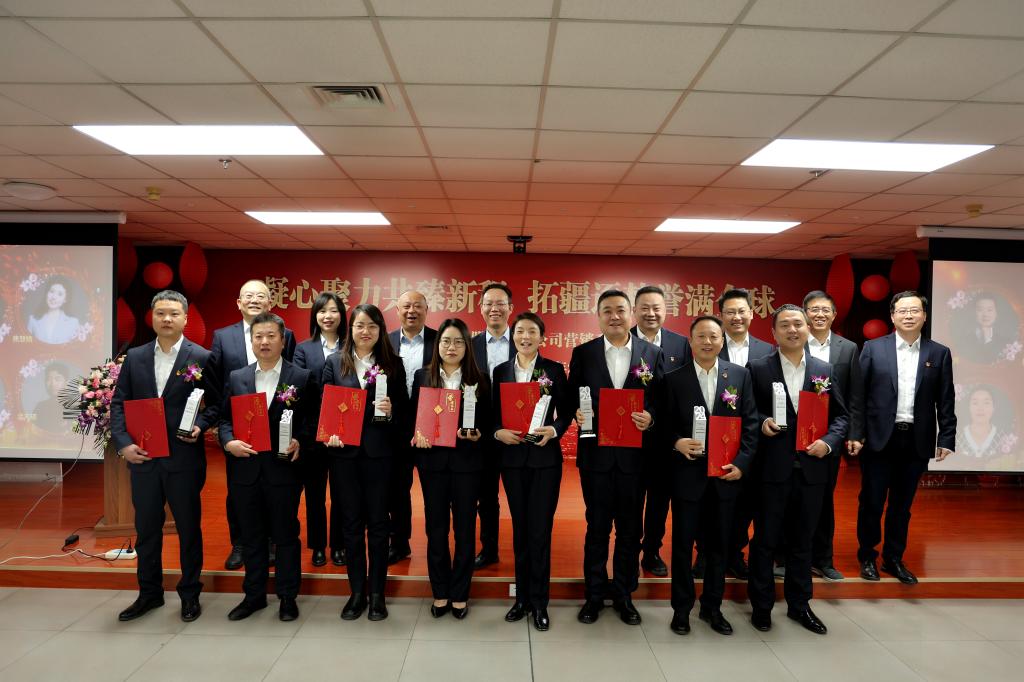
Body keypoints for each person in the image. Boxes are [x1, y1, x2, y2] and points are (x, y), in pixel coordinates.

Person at [110, 290, 219, 623]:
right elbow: (119, 403)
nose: (166, 319)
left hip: (184, 458)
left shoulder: (201, 357)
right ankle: (149, 593)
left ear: (185, 318)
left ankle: (190, 593)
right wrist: (123, 444)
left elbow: (217, 404)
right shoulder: (135, 357)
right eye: (160, 313)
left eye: (173, 313)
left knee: (188, 529)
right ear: (152, 317)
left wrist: (201, 426)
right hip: (144, 457)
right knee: (146, 529)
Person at [747, 304, 848, 635]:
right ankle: (761, 606)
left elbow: (841, 416)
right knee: (765, 540)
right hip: (771, 471)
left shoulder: (824, 369)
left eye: (798, 324)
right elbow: (747, 411)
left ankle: (800, 605)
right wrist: (762, 421)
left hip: (811, 469)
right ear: (773, 333)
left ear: (807, 329)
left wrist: (829, 443)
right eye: (785, 325)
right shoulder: (758, 368)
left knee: (803, 541)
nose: (792, 330)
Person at [569, 289, 664, 626]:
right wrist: (577, 414)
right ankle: (594, 595)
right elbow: (571, 396)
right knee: (596, 528)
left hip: (634, 460)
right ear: (598, 317)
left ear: (631, 314)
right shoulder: (584, 353)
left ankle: (624, 595)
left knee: (629, 531)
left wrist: (651, 417)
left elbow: (661, 399)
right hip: (596, 457)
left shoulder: (652, 354)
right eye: (607, 311)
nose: (614, 316)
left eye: (620, 310)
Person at [661, 315, 758, 636]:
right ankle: (681, 609)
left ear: (722, 340)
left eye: (713, 336)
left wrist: (742, 463)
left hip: (725, 476)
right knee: (682, 546)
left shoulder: (740, 376)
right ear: (690, 341)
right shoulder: (674, 379)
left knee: (719, 546)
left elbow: (751, 423)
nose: (707, 342)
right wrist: (676, 442)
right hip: (687, 477)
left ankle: (712, 607)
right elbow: (662, 425)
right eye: (701, 336)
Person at [852, 291, 956, 585]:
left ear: (924, 315)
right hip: (879, 439)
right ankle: (867, 556)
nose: (908, 315)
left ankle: (894, 558)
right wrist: (856, 433)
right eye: (902, 311)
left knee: (902, 505)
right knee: (872, 501)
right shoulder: (873, 348)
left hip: (916, 440)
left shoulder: (938, 353)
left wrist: (946, 437)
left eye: (914, 310)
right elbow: (859, 395)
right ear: (892, 316)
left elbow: (946, 399)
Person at [219, 312, 313, 622]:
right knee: (251, 536)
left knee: (285, 535)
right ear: (251, 340)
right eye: (258, 336)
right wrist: (229, 441)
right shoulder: (238, 377)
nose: (264, 342)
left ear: (283, 340)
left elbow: (311, 421)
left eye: (271, 336)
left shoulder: (301, 377)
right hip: (245, 470)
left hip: (283, 471)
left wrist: (300, 441)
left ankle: (287, 597)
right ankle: (254, 595)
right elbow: (224, 420)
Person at [324, 304, 408, 621]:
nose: (366, 331)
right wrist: (329, 434)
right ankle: (357, 592)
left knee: (379, 525)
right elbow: (325, 406)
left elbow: (405, 410)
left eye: (372, 326)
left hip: (380, 456)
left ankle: (377, 595)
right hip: (344, 456)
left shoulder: (393, 364)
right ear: (351, 329)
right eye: (360, 325)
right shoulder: (335, 363)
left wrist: (393, 410)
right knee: (351, 525)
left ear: (380, 330)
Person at [209, 279, 296, 571]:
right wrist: (224, 429)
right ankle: (240, 544)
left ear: (270, 302)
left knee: (274, 490)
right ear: (239, 302)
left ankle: (270, 542)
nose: (254, 300)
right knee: (239, 491)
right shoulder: (223, 336)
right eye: (248, 296)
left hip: (275, 427)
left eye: (261, 296)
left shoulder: (286, 334)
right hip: (239, 427)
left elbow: (292, 375)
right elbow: (216, 381)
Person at [493, 312, 571, 632]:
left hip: (544, 461)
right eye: (520, 331)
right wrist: (498, 432)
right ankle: (522, 598)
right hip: (513, 461)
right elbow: (492, 413)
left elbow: (566, 411)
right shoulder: (501, 371)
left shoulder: (553, 370)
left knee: (540, 531)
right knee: (520, 530)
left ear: (542, 337)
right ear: (512, 336)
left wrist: (554, 430)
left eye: (532, 332)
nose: (525, 337)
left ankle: (540, 602)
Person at [412, 319, 492, 620]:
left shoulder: (480, 379)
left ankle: (460, 594)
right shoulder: (423, 376)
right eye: (446, 341)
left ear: (467, 346)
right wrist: (416, 435)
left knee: (464, 529)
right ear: (438, 345)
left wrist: (479, 434)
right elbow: (412, 415)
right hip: (432, 464)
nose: (451, 347)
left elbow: (489, 420)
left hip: (467, 465)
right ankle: (440, 591)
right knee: (435, 529)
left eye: (459, 341)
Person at [712, 287, 774, 580]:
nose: (736, 317)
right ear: (720, 316)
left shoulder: (768, 351)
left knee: (746, 503)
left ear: (752, 313)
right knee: (712, 501)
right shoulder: (709, 343)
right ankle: (708, 554)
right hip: (714, 437)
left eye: (741, 311)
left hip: (754, 437)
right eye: (729, 312)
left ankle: (735, 554)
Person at [802, 290, 865, 581]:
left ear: (834, 314)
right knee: (791, 498)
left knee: (824, 499)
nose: (819, 314)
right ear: (805, 313)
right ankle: (785, 557)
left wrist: (854, 433)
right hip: (795, 434)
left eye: (825, 310)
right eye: (814, 309)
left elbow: (855, 394)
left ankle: (823, 559)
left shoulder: (848, 348)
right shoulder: (793, 340)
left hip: (831, 434)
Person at [632, 285, 691, 578]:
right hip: (628, 437)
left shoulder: (680, 344)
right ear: (635, 310)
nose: (651, 313)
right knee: (630, 500)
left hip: (666, 440)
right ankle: (629, 550)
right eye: (644, 308)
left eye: (656, 308)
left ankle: (652, 550)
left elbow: (686, 389)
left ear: (665, 311)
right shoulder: (622, 339)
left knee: (659, 500)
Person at [292, 292, 346, 568]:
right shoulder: (303, 349)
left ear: (342, 315)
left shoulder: (351, 346)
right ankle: (317, 546)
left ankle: (338, 544)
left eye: (334, 310)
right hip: (313, 433)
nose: (328, 316)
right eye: (322, 311)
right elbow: (299, 388)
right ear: (315, 316)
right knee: (314, 494)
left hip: (344, 432)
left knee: (341, 493)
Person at [386, 290, 437, 564]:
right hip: (395, 427)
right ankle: (399, 542)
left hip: (432, 425)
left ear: (427, 310)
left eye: (418, 306)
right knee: (397, 488)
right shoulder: (386, 342)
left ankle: (437, 546)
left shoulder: (440, 340)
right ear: (397, 310)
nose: (411, 311)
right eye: (406, 306)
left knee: (435, 491)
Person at [471, 282, 515, 569]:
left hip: (515, 433)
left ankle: (526, 550)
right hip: (481, 434)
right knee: (485, 497)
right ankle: (489, 549)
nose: (494, 308)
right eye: (488, 303)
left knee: (520, 497)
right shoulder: (470, 345)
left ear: (511, 308)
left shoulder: (522, 340)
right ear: (481, 308)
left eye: (500, 303)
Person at [27, 275, 81, 345]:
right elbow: (28, 346)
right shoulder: (33, 320)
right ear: (47, 293)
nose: (54, 297)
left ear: (65, 299)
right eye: (52, 291)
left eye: (60, 294)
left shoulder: (73, 322)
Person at [955, 387, 1003, 460]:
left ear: (993, 407)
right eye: (975, 403)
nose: (980, 408)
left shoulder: (1003, 438)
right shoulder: (956, 437)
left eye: (986, 403)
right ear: (968, 407)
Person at [33, 361, 70, 433]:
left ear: (67, 383)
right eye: (48, 379)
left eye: (57, 379)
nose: (53, 384)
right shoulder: (40, 407)